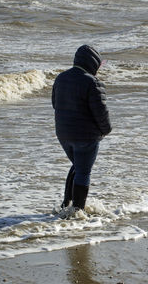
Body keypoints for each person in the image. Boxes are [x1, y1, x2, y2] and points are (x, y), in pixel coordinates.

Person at [52, 45, 112, 211]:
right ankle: (77, 211)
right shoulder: (92, 83)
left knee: (77, 167)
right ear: (92, 63)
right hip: (86, 137)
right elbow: (101, 113)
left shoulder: (60, 78)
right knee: (83, 171)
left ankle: (66, 204)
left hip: (63, 134)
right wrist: (106, 130)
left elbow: (55, 104)